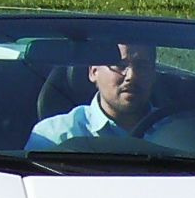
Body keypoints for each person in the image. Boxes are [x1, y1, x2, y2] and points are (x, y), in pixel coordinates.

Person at [27, 44, 159, 149]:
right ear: (93, 71)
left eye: (142, 66)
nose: (131, 76)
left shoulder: (175, 131)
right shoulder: (56, 136)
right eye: (120, 65)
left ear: (154, 74)